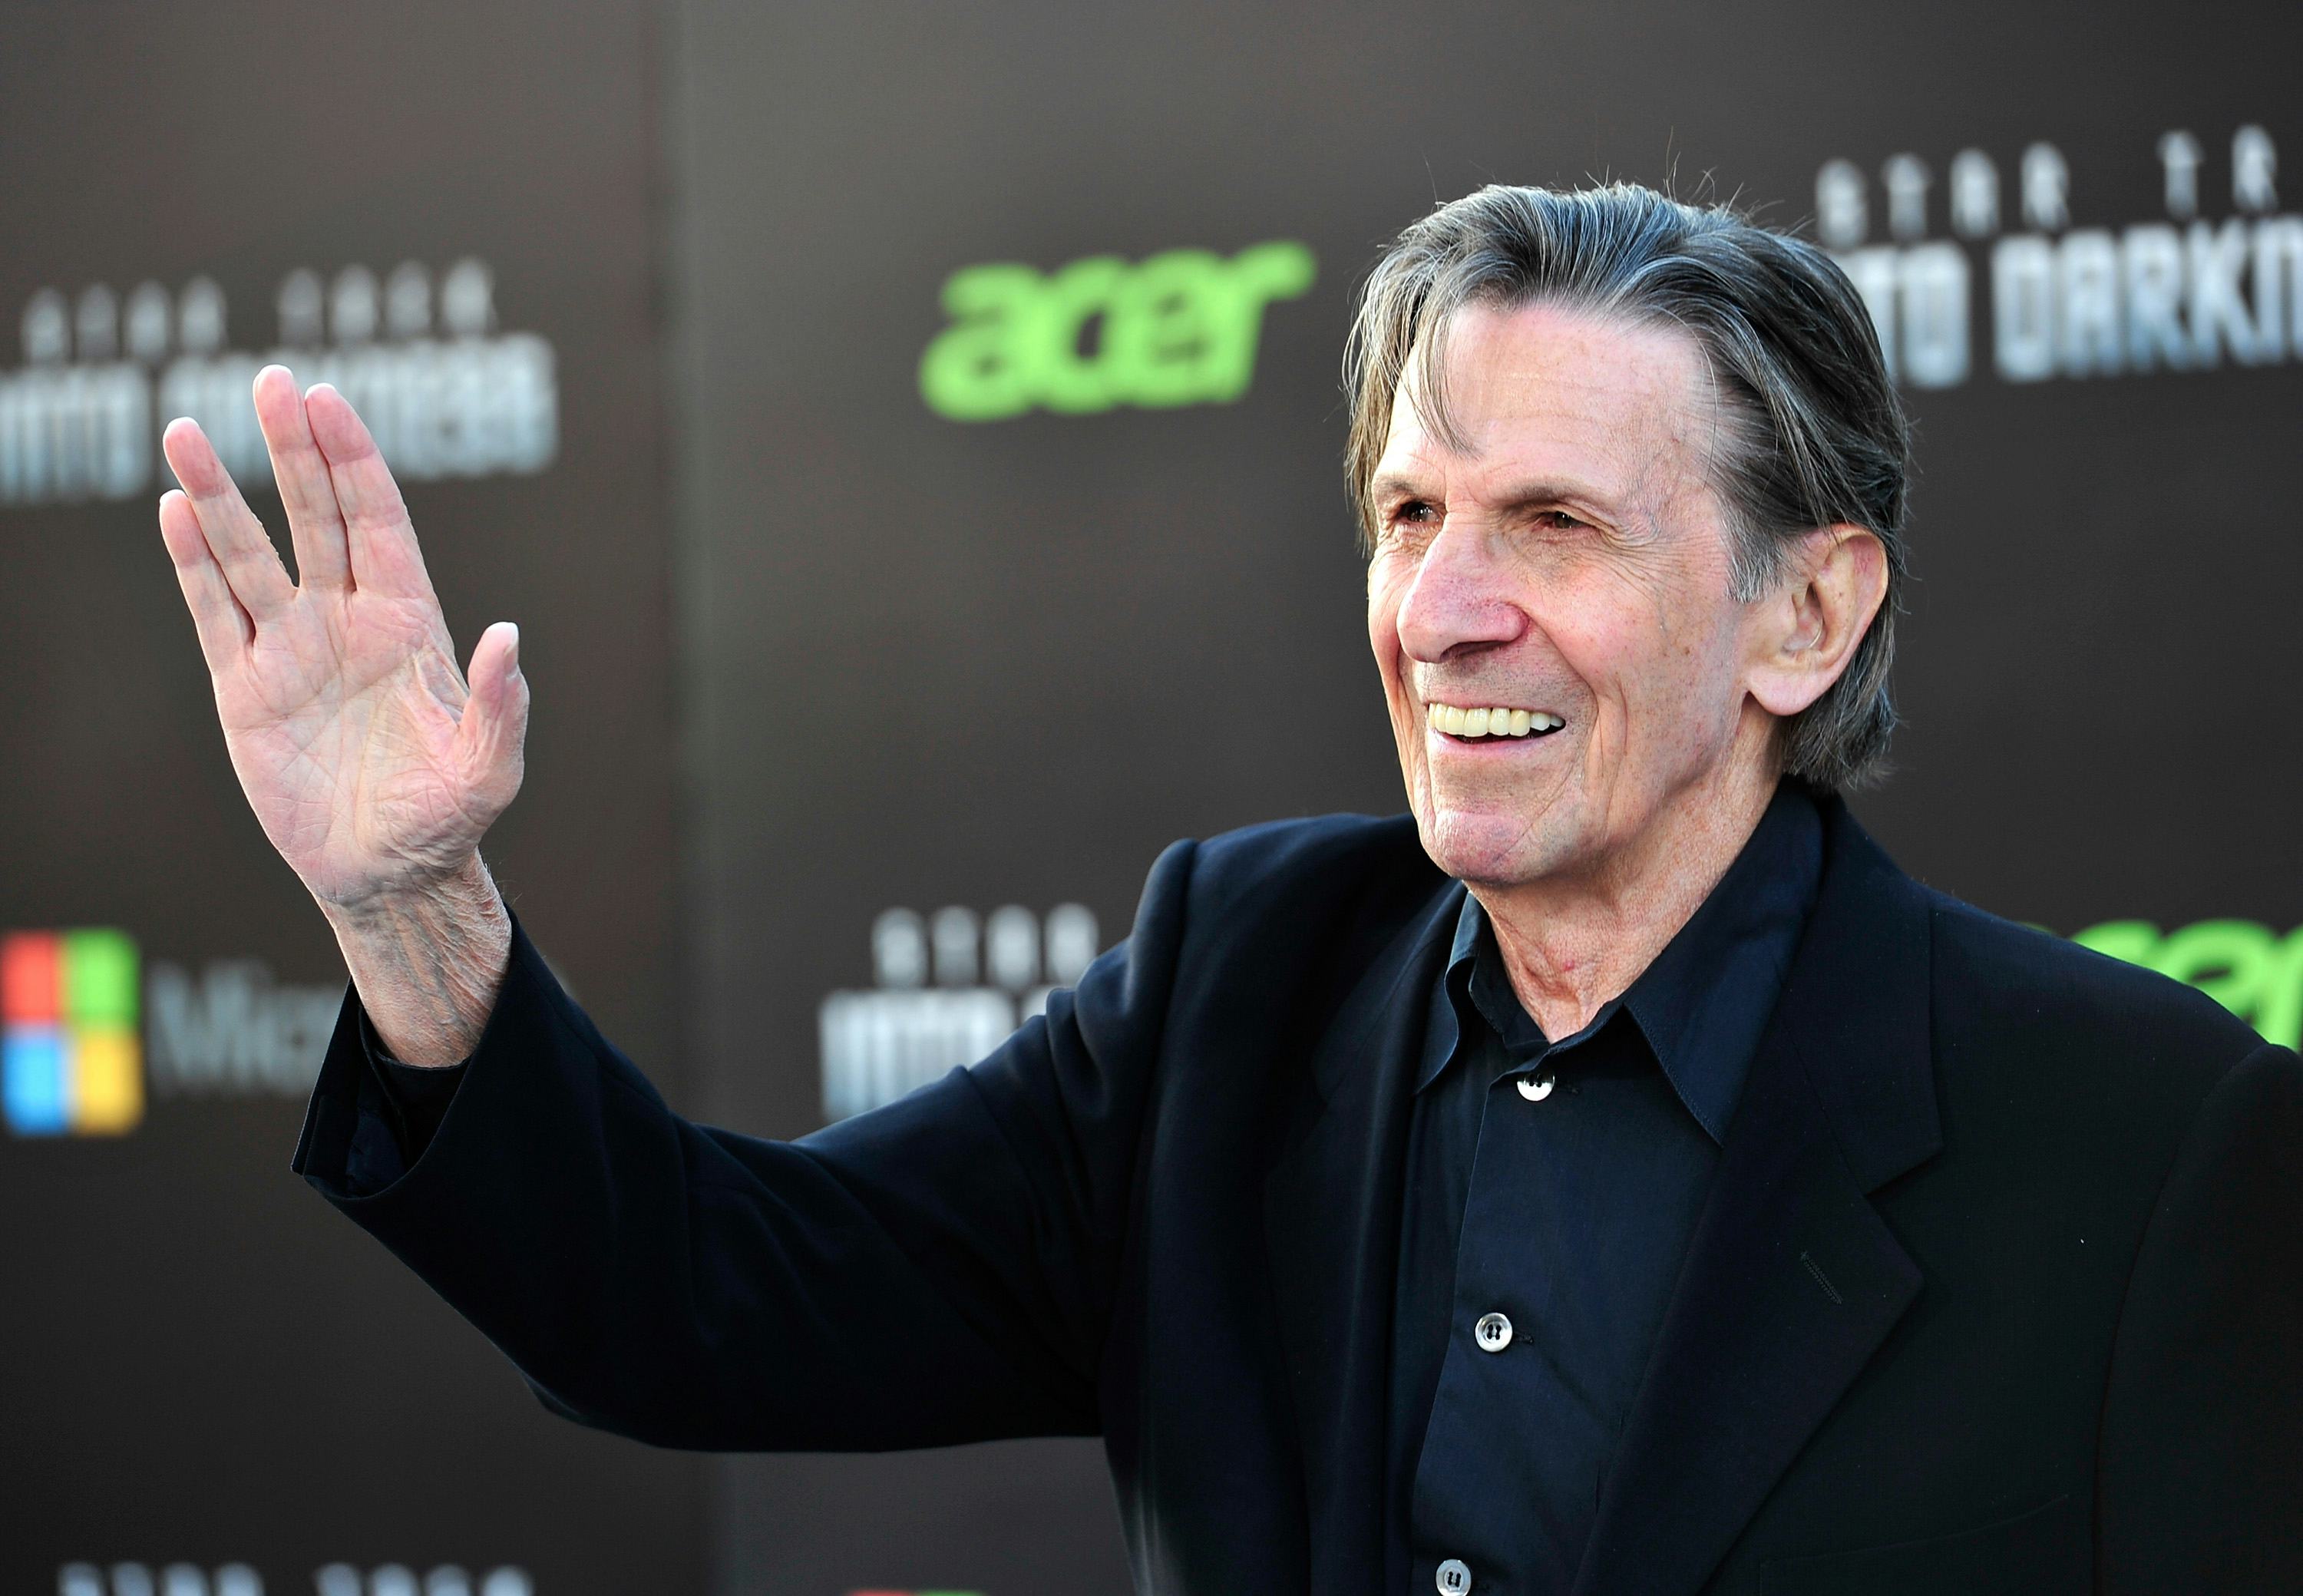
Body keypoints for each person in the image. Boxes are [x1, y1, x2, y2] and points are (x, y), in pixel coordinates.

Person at [157, 184, 2301, 1595]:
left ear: (1805, 614)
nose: (1442, 613)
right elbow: (697, 1300)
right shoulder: (1234, 995)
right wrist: (413, 903)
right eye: (1411, 514)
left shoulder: (2142, 1143)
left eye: (1556, 524)